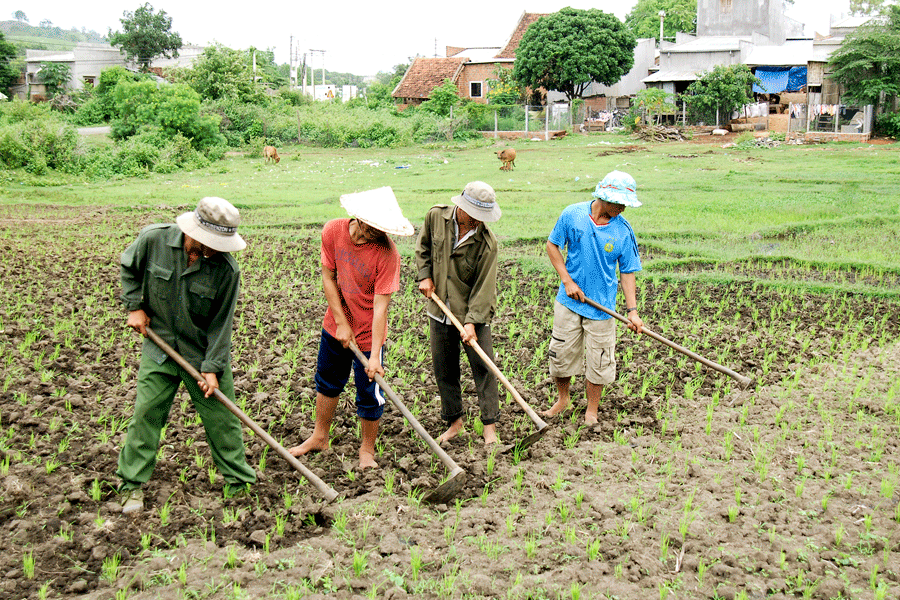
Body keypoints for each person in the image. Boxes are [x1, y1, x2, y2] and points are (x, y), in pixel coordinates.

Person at [117, 197, 255, 514]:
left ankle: (239, 484)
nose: (216, 249)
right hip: (160, 346)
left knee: (223, 419)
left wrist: (212, 368)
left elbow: (222, 325)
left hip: (201, 353)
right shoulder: (154, 239)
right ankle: (131, 485)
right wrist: (134, 305)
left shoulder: (226, 270)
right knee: (146, 414)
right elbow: (129, 268)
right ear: (195, 231)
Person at [289, 187, 413, 469]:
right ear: (359, 217)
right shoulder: (333, 231)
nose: (376, 233)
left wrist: (375, 356)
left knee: (369, 392)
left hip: (369, 334)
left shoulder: (388, 255)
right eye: (372, 226)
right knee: (328, 381)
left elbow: (381, 309)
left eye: (382, 229)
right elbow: (328, 276)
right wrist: (342, 323)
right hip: (335, 326)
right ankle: (320, 436)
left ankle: (366, 452)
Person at [542, 171, 645, 425]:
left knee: (599, 360)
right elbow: (552, 245)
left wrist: (632, 311)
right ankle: (563, 399)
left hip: (602, 308)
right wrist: (567, 280)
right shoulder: (572, 214)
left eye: (625, 204)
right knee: (561, 355)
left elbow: (628, 271)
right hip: (569, 302)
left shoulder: (623, 230)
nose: (622, 208)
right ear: (604, 197)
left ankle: (592, 410)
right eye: (619, 203)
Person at [415, 181, 501, 446]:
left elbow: (484, 288)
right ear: (461, 207)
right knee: (445, 368)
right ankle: (454, 423)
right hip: (439, 308)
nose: (477, 221)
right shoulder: (435, 217)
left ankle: (490, 428)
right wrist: (425, 276)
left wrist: (472, 322)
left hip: (471, 312)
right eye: (474, 214)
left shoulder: (487, 243)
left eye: (482, 217)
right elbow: (423, 248)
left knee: (484, 367)